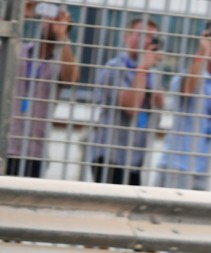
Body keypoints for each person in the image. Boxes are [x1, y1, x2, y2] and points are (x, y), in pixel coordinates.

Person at [156, 22, 211, 191]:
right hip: (176, 166)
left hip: (202, 169)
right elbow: (186, 90)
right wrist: (201, 52)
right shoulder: (186, 77)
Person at [86, 16, 164, 186]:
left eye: (152, 37)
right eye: (141, 35)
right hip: (110, 157)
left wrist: (158, 102)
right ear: (126, 37)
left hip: (135, 159)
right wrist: (142, 69)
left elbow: (156, 116)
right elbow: (131, 107)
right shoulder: (114, 68)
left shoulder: (154, 73)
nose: (147, 41)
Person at [6, 3, 78, 178]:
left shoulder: (60, 61)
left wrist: (61, 36)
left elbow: (71, 79)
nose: (52, 22)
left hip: (34, 152)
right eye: (50, 18)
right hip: (6, 145)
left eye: (58, 20)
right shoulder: (18, 52)